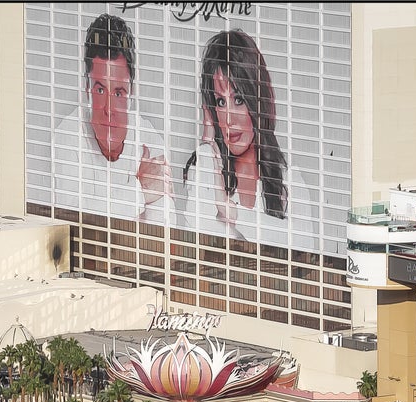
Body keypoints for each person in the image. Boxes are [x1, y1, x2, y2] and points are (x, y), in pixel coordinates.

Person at [44, 14, 172, 222]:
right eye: (101, 90)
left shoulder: (150, 140)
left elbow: (164, 228)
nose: (109, 109)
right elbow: (70, 221)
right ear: (87, 87)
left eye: (119, 92)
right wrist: (140, 192)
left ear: (132, 90)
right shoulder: (67, 137)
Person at [181, 29, 287, 244]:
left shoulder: (287, 180)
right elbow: (196, 234)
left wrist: (229, 211)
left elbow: (299, 244)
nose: (229, 119)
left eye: (238, 99)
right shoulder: (204, 167)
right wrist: (206, 146)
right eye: (220, 102)